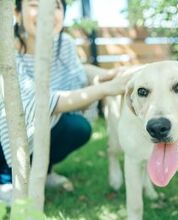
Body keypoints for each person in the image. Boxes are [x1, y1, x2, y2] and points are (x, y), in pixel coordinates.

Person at [0, 0, 130, 205]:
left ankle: (43, 170)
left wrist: (107, 75)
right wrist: (104, 89)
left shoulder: (64, 44)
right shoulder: (6, 51)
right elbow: (34, 104)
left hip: (40, 126)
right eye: (35, 4)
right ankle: (6, 179)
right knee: (17, 120)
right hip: (7, 130)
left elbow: (77, 79)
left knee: (76, 127)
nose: (47, 12)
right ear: (17, 13)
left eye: (56, 6)